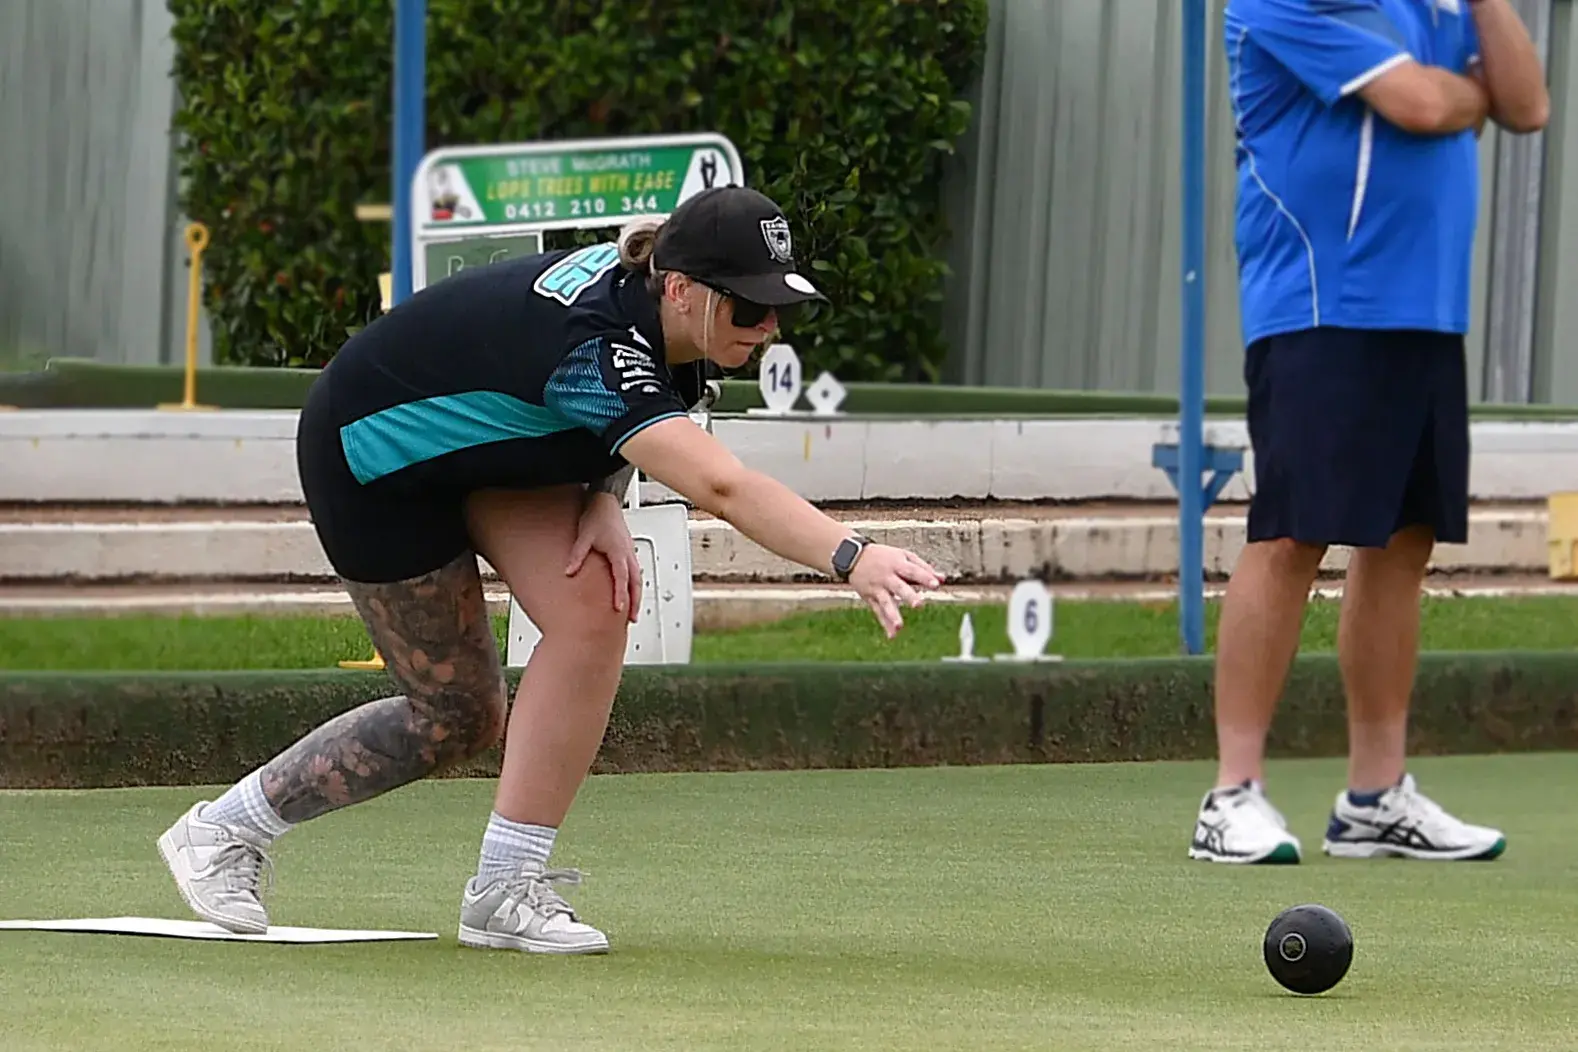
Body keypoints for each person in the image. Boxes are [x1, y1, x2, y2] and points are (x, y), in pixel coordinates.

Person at [156, 185, 945, 951]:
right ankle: (219, 832)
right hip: (376, 455)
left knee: (598, 605)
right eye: (747, 306)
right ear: (679, 288)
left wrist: (603, 496)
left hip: (492, 447)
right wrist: (853, 556)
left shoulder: (675, 324)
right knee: (456, 717)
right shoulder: (597, 347)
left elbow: (620, 419)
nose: (767, 326)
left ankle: (505, 890)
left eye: (779, 306)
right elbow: (719, 483)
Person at [1192, 0, 1550, 865]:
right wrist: (1464, 98)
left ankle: (1375, 797)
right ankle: (1230, 794)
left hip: (1426, 308)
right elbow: (1423, 105)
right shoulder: (1279, 2)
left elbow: (1527, 104)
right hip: (1321, 305)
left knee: (1404, 541)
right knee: (1293, 532)